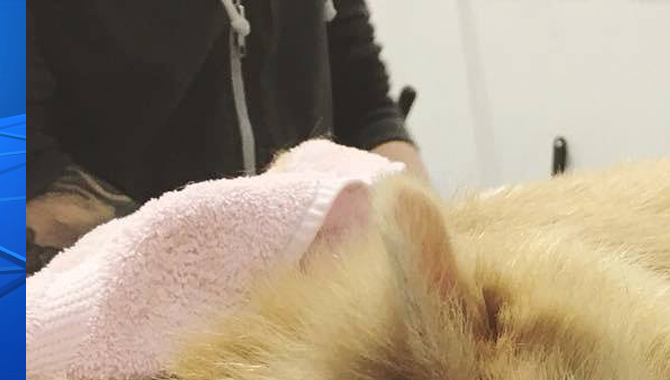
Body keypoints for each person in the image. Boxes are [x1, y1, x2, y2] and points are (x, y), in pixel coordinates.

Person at [26, 0, 428, 273]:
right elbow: (20, 171)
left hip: (311, 306)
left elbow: (366, 104)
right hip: (99, 345)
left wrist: (432, 238)